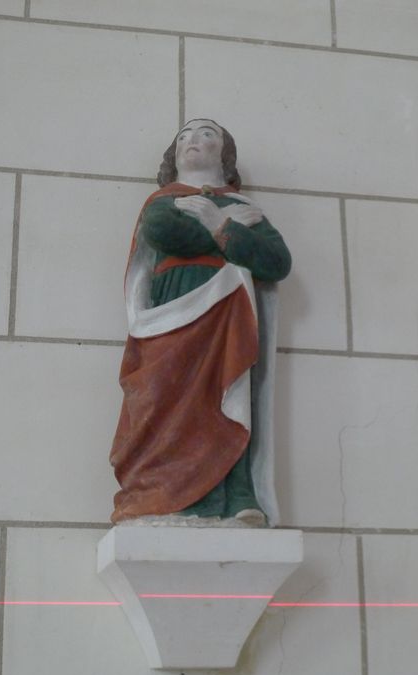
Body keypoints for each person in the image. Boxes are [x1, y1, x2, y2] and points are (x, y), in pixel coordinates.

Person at [109, 119, 291, 527]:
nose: (194, 139)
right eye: (185, 136)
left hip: (228, 316)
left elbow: (277, 262)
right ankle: (158, 493)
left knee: (228, 397)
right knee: (163, 398)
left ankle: (236, 496)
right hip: (170, 313)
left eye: (208, 134)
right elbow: (165, 232)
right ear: (174, 156)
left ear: (224, 155)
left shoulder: (242, 206)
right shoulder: (164, 200)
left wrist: (217, 222)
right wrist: (226, 229)